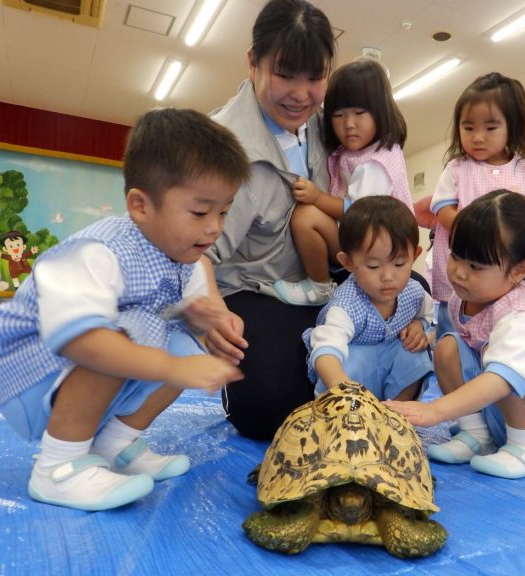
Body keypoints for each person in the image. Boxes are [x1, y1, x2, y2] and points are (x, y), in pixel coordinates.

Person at [0, 108, 250, 511]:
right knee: (133, 340)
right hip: (33, 371)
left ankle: (112, 446)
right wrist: (168, 368)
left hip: (83, 359)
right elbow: (81, 340)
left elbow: (187, 299)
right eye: (199, 212)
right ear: (140, 205)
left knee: (185, 349)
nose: (214, 227)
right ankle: (58, 465)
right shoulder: (101, 251)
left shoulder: (180, 254)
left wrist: (206, 318)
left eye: (223, 211)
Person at [384, 190, 525, 479]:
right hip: (498, 410)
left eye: (475, 266)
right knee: (448, 346)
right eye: (456, 256)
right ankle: (476, 436)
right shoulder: (466, 294)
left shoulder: (522, 314)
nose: (459, 273)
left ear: (519, 270)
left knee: (508, 369)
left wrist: (435, 411)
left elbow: (503, 379)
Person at [200, 0, 338, 440]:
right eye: (284, 74)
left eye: (314, 78)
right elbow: (194, 252)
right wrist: (214, 317)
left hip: (318, 279)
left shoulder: (328, 126)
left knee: (409, 298)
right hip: (253, 288)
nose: (300, 94)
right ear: (252, 63)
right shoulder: (220, 146)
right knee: (268, 409)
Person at [429, 72, 525, 341]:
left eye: (490, 128)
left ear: (512, 128)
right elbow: (443, 211)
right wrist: (474, 233)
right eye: (468, 128)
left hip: (515, 279)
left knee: (512, 335)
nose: (478, 137)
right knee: (455, 334)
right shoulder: (457, 169)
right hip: (467, 274)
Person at [273, 58, 413, 306]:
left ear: (381, 112)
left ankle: (320, 286)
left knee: (305, 216)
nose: (349, 124)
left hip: (375, 243)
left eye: (360, 113)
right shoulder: (354, 154)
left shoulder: (375, 162)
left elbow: (360, 213)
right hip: (368, 241)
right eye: (338, 115)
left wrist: (317, 197)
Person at [302, 196, 433, 401]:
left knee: (414, 352)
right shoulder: (347, 305)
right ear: (348, 262)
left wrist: (419, 326)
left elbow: (429, 318)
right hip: (353, 386)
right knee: (348, 361)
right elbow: (326, 350)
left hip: (389, 370)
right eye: (373, 266)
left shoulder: (414, 293)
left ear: (414, 256)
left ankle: (398, 414)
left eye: (399, 263)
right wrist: (344, 389)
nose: (387, 277)